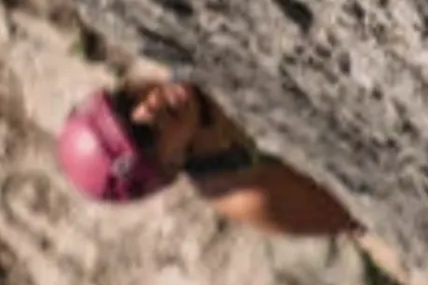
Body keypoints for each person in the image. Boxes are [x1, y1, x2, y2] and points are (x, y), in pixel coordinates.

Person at [54, 63, 359, 240]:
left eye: (125, 102)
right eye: (144, 135)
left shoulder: (170, 49)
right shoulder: (249, 195)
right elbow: (363, 209)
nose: (147, 108)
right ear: (168, 165)